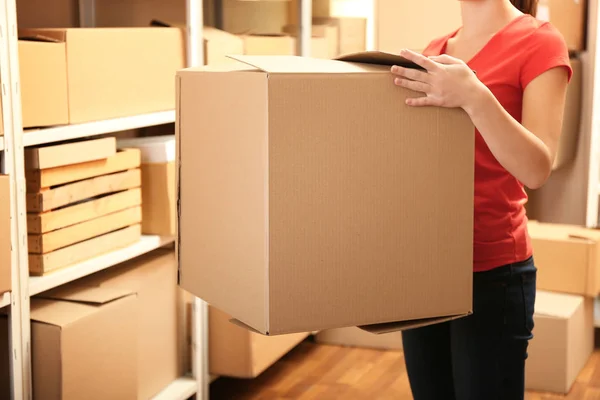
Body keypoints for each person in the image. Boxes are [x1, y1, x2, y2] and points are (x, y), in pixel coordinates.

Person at [389, 0, 572, 399]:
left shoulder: (539, 42)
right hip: (425, 267)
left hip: (492, 272)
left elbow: (538, 168)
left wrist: (475, 95)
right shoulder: (435, 51)